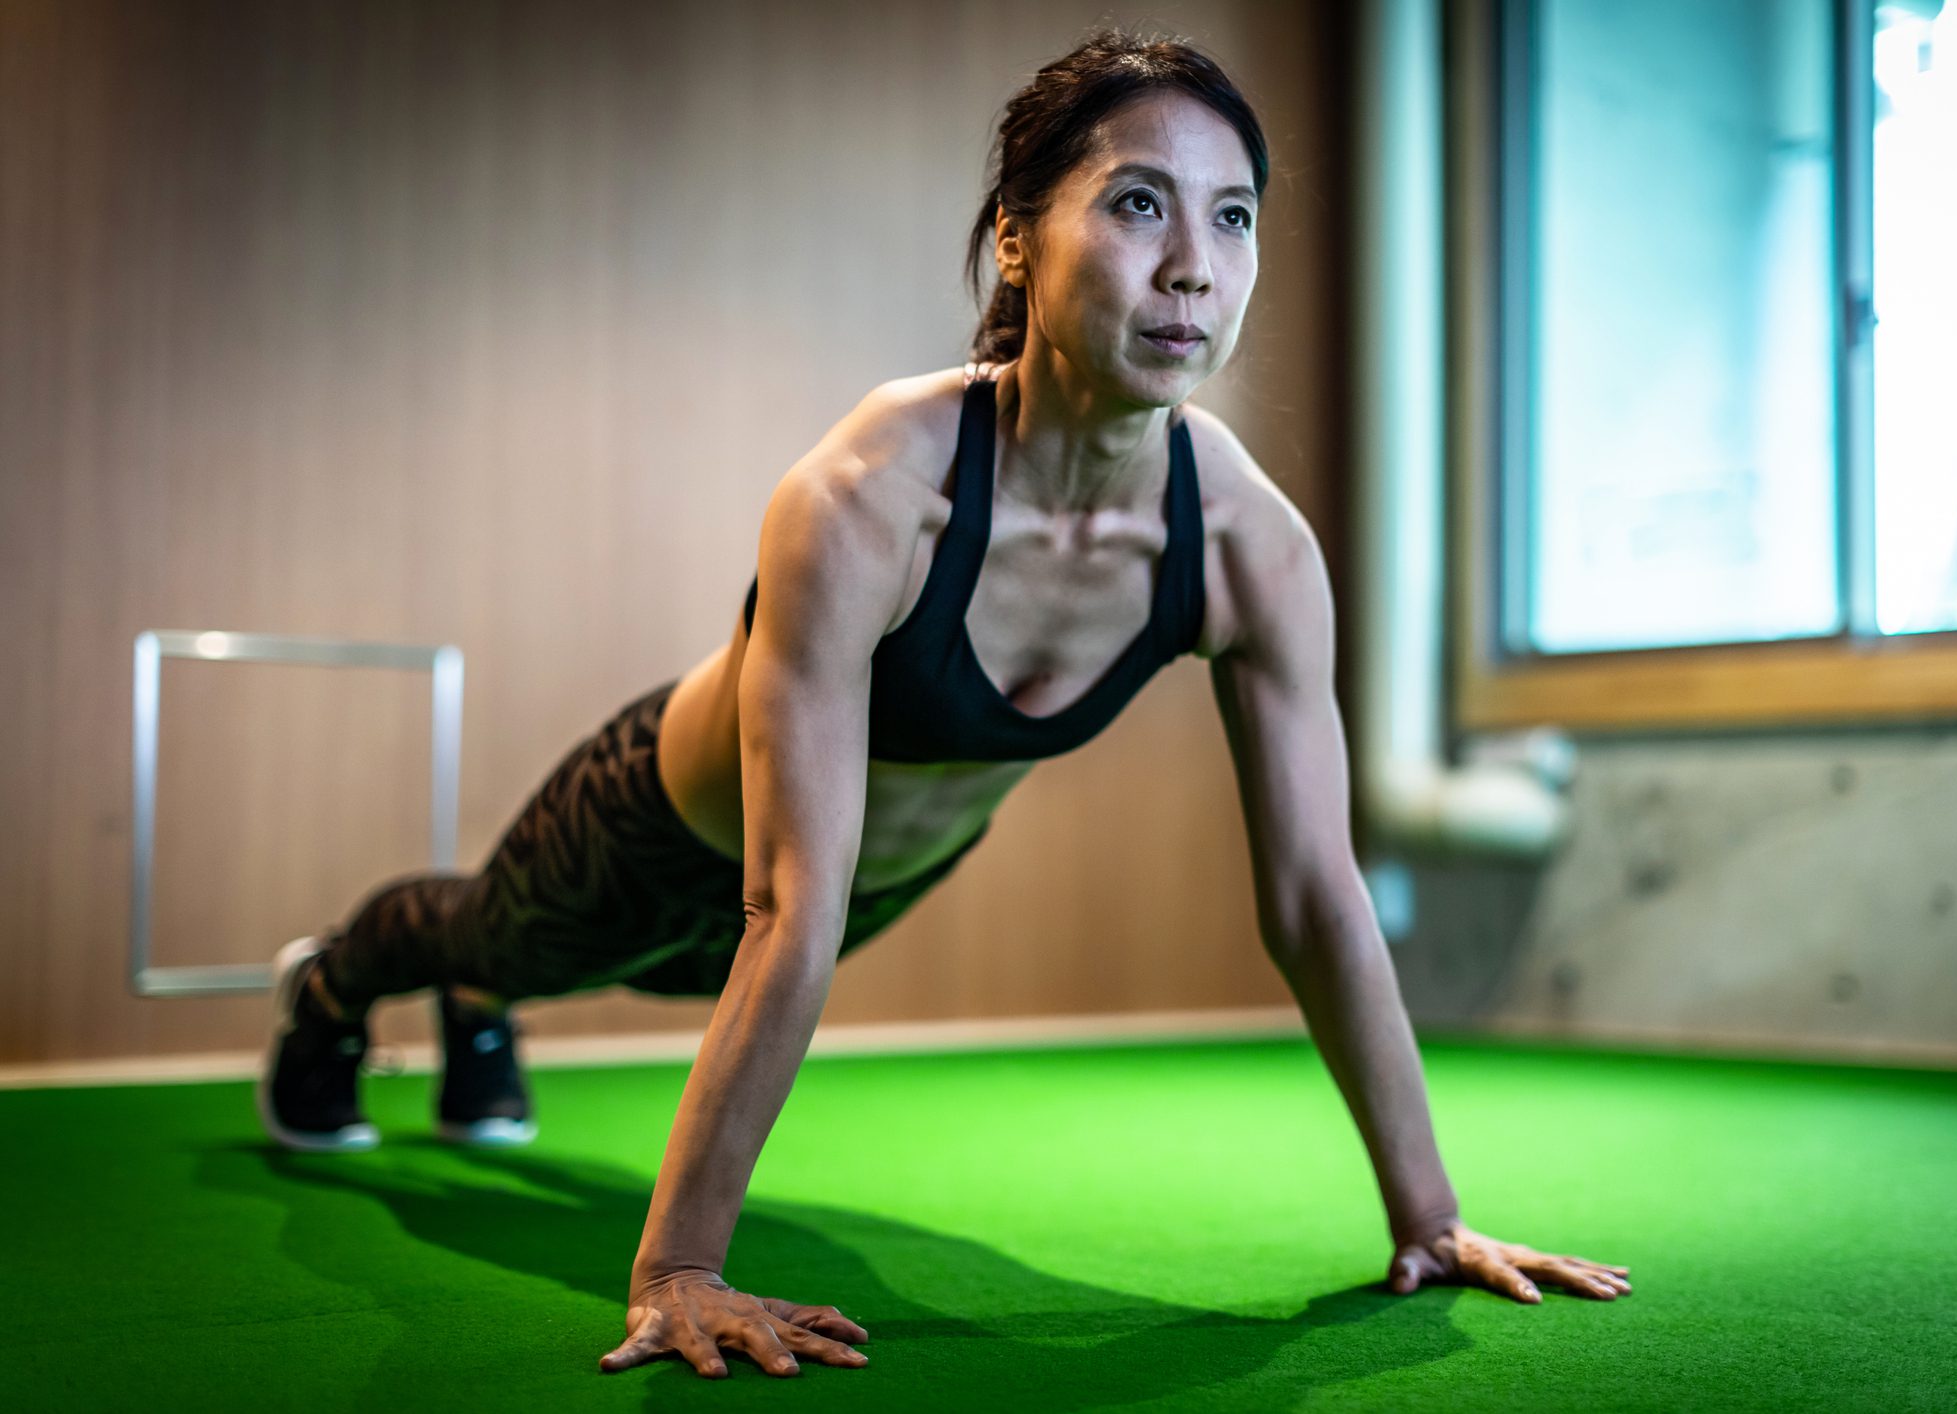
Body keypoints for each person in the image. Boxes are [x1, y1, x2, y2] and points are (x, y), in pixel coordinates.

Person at [257, 26, 1631, 1382]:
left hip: (872, 884)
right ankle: (332, 985)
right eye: (1137, 203)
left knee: (640, 977)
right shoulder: (873, 490)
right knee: (499, 929)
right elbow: (782, 895)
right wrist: (679, 1266)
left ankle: (486, 1002)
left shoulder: (1247, 547)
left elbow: (1319, 896)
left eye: (1231, 218)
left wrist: (1427, 1213)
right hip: (662, 828)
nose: (1190, 268)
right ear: (1019, 239)